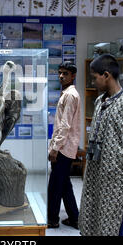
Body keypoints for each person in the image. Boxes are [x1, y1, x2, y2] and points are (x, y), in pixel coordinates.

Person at [79, 54, 123, 236]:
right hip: (95, 176)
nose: (93, 81)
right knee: (93, 220)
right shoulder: (98, 102)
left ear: (106, 75)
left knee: (111, 224)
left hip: (115, 181)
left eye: (94, 77)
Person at [47, 61, 81, 229]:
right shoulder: (68, 93)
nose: (61, 76)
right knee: (64, 183)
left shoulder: (70, 95)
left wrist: (55, 148)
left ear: (73, 76)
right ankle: (75, 218)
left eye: (65, 73)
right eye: (60, 72)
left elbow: (65, 125)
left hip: (63, 148)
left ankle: (52, 220)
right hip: (65, 146)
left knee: (55, 186)